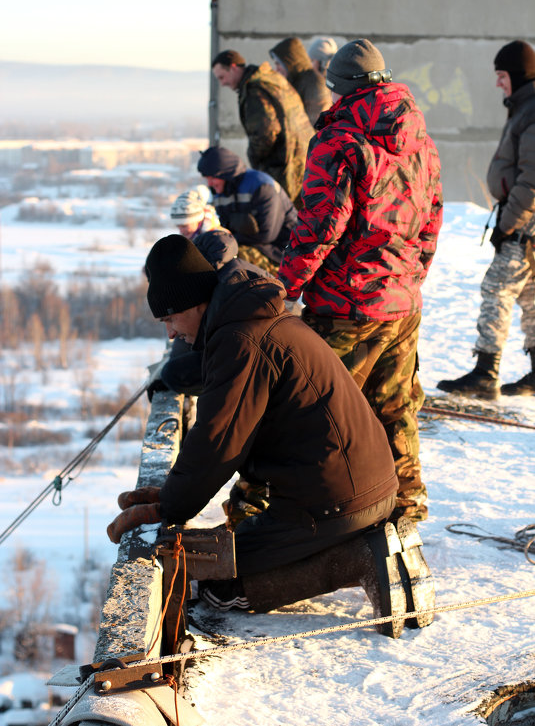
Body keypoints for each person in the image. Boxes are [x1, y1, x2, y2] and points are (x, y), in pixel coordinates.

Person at [107, 234, 435, 638]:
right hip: (354, 486)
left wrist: (170, 508)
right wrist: (171, 492)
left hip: (334, 500)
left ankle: (357, 556)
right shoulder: (248, 319)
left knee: (219, 589)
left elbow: (218, 442)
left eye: (169, 320)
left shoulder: (240, 339)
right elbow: (223, 404)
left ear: (192, 303)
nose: (172, 335)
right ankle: (360, 541)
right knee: (226, 557)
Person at [277, 39, 443, 523]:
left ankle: (280, 520)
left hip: (344, 306)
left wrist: (287, 288)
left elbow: (318, 227)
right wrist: (409, 280)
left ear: (338, 89)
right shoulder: (422, 142)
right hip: (402, 302)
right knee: (395, 408)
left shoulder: (338, 140)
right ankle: (406, 506)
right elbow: (431, 219)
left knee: (310, 415)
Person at [437, 40, 535, 399]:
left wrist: (507, 224)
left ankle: (485, 373)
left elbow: (532, 179)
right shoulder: (525, 107)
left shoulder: (532, 111)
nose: (498, 83)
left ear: (518, 75)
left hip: (524, 223)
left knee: (496, 288)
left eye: (501, 75)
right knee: (530, 294)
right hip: (524, 220)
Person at [211, 49, 314, 204]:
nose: (222, 83)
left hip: (285, 168)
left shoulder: (254, 90)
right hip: (305, 160)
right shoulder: (271, 79)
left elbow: (265, 134)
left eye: (222, 77)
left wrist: (253, 161)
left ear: (233, 67)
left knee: (285, 220)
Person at [197, 145, 297, 274]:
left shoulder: (261, 186)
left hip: (284, 254)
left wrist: (233, 238)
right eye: (207, 179)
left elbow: (267, 234)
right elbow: (226, 227)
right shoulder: (219, 192)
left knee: (230, 262)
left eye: (212, 178)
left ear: (225, 173)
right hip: (256, 247)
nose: (209, 183)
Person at [270, 36, 332, 126]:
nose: (276, 69)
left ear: (290, 61)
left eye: (278, 64)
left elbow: (315, 125)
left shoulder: (314, 83)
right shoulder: (294, 81)